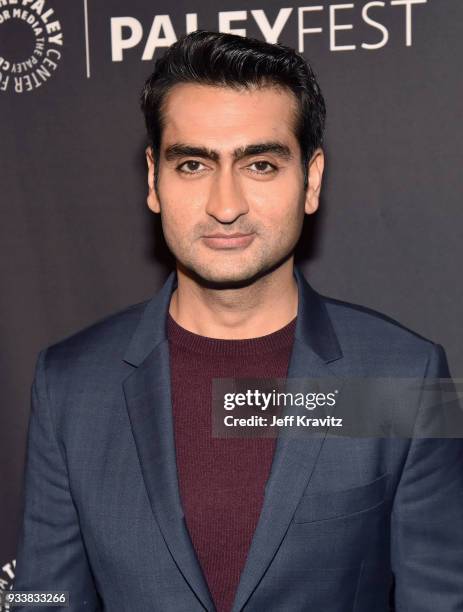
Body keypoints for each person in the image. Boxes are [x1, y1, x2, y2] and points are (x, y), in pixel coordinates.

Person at [13, 30, 463, 611]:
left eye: (261, 165)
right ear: (154, 179)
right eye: (194, 164)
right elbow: (44, 600)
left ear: (312, 179)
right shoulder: (70, 383)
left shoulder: (408, 377)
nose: (226, 206)